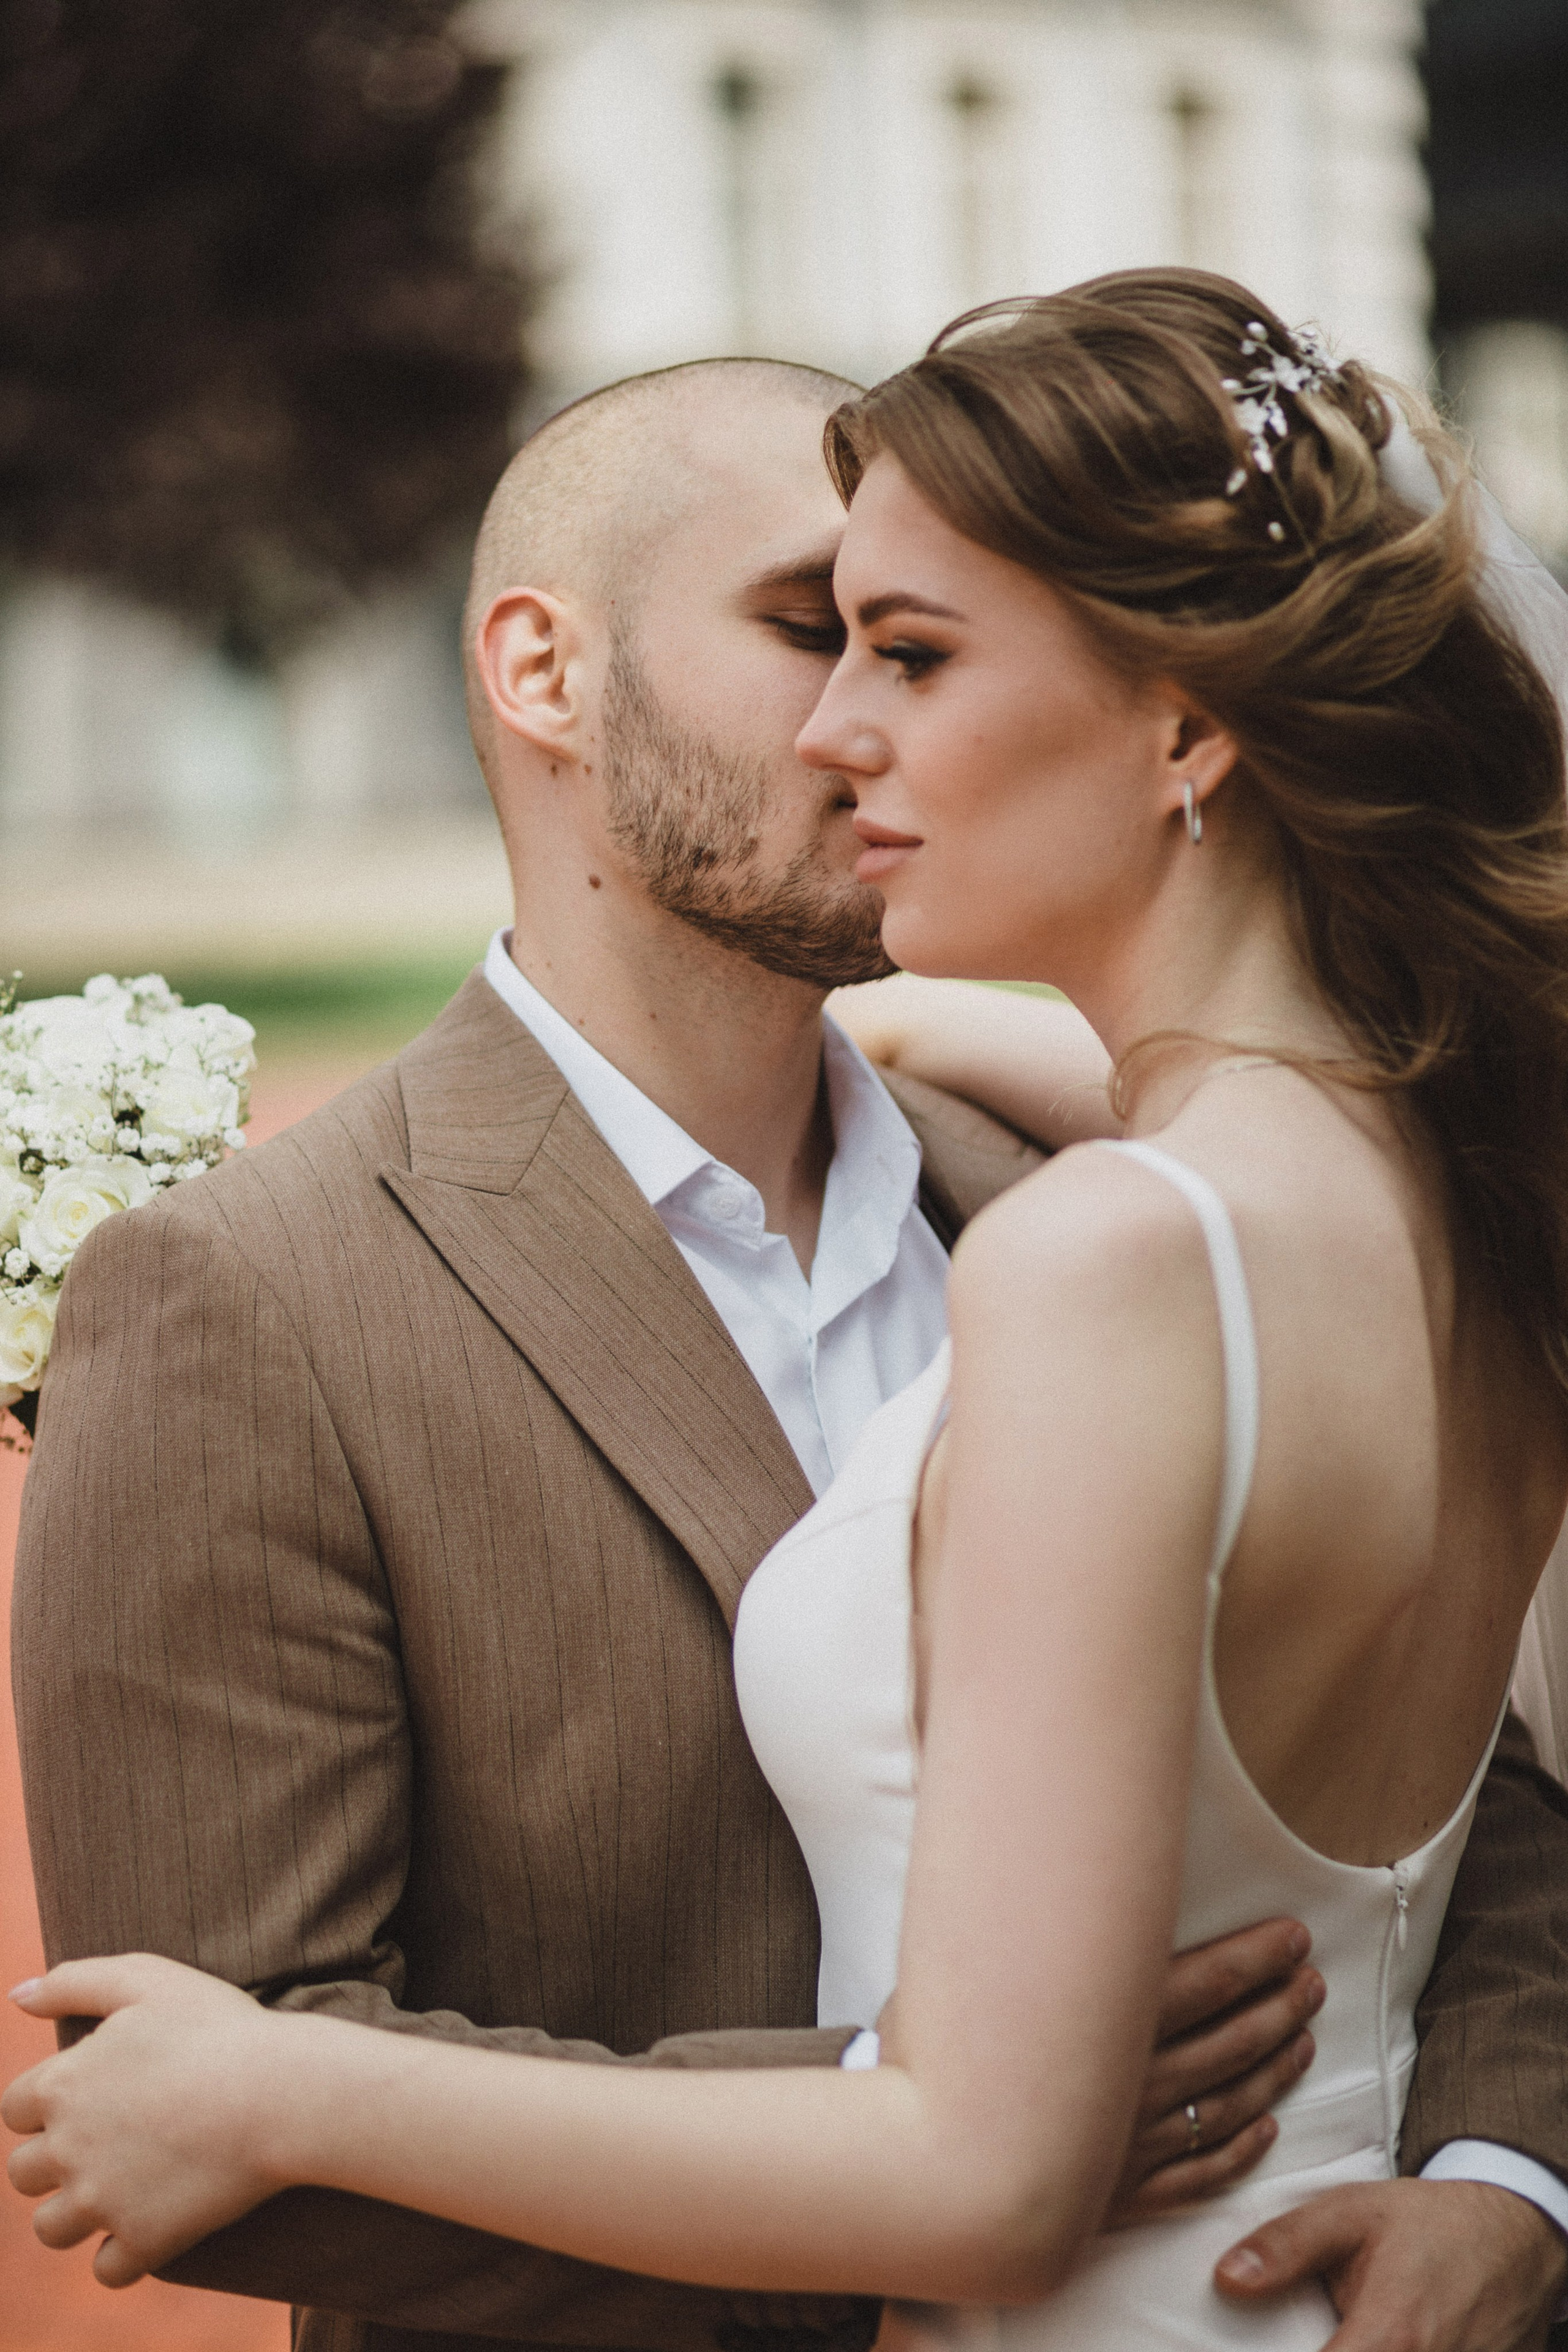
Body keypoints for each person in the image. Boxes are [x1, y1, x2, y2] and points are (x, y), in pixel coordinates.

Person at [8, 293, 1568, 2347]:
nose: (849, 724)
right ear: (544, 671)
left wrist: (1507, 2170)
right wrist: (943, 2109)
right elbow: (195, 2092)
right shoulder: (248, 1294)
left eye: (904, 646)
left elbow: (1472, 1791)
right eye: (808, 628)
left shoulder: (1084, 1206)